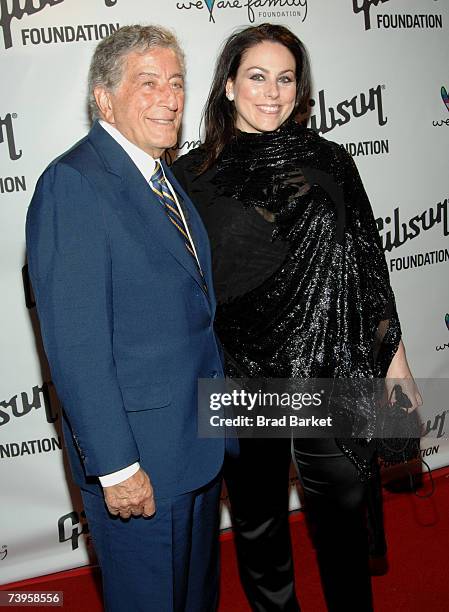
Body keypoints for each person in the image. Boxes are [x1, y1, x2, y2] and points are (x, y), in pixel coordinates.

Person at [173, 23, 422, 612]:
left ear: (299, 89)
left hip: (329, 367)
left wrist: (397, 366)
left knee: (341, 524)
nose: (272, 92)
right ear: (229, 86)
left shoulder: (330, 160)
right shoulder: (190, 177)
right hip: (240, 372)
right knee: (259, 529)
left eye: (285, 79)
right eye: (257, 77)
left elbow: (366, 264)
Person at [26, 25, 225, 612]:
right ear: (103, 98)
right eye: (148, 83)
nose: (169, 97)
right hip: (138, 462)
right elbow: (76, 343)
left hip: (193, 448)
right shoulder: (75, 184)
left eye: (177, 83)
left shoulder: (164, 177)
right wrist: (116, 466)